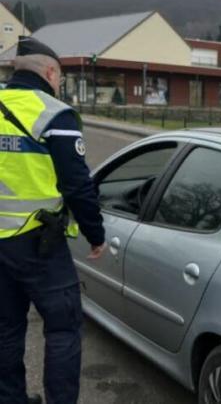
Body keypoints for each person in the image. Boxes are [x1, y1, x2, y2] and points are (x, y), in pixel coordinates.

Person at [0, 36, 106, 404]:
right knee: (62, 328)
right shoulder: (53, 114)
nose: (58, 83)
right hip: (38, 244)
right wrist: (96, 234)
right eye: (58, 77)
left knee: (6, 329)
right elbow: (77, 185)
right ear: (49, 72)